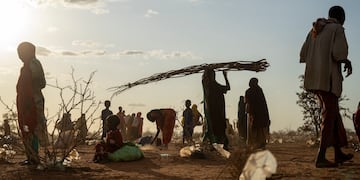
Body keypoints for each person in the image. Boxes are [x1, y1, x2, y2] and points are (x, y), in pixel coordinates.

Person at [300, 6, 353, 168]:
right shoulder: (337, 28)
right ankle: (320, 157)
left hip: (314, 79)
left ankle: (338, 154)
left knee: (333, 113)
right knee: (329, 116)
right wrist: (346, 61)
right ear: (341, 17)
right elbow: (339, 54)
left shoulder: (315, 29)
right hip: (327, 79)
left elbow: (303, 54)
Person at [16, 41, 49, 166]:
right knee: (26, 128)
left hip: (33, 101)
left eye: (22, 52)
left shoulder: (33, 63)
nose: (20, 55)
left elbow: (41, 82)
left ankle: (34, 156)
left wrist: (30, 98)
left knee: (33, 127)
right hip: (26, 102)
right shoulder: (25, 66)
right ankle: (30, 156)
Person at [202, 68, 230, 150]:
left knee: (218, 127)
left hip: (218, 111)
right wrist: (225, 77)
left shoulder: (215, 85)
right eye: (212, 75)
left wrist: (225, 77)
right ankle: (212, 144)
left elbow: (228, 88)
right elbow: (227, 88)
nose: (213, 76)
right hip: (212, 111)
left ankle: (219, 144)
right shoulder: (208, 85)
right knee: (213, 128)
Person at [245, 78, 270, 150]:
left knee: (253, 128)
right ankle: (259, 144)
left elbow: (247, 102)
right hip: (260, 114)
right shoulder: (259, 90)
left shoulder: (249, 91)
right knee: (259, 129)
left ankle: (255, 144)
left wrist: (249, 112)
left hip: (253, 113)